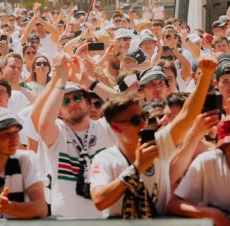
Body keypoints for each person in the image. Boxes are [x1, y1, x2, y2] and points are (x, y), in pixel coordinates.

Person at [90, 57, 217, 218]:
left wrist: (205, 76)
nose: (143, 123)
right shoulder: (105, 159)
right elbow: (100, 200)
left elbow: (187, 114)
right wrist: (136, 169)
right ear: (116, 127)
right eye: (135, 120)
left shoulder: (158, 145)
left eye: (143, 117)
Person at [34, 55, 115, 217]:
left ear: (87, 103)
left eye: (77, 98)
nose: (72, 104)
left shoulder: (104, 128)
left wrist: (89, 81)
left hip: (105, 219)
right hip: (66, 219)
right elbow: (42, 123)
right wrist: (60, 81)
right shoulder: (57, 132)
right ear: (58, 111)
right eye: (65, 102)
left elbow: (129, 106)